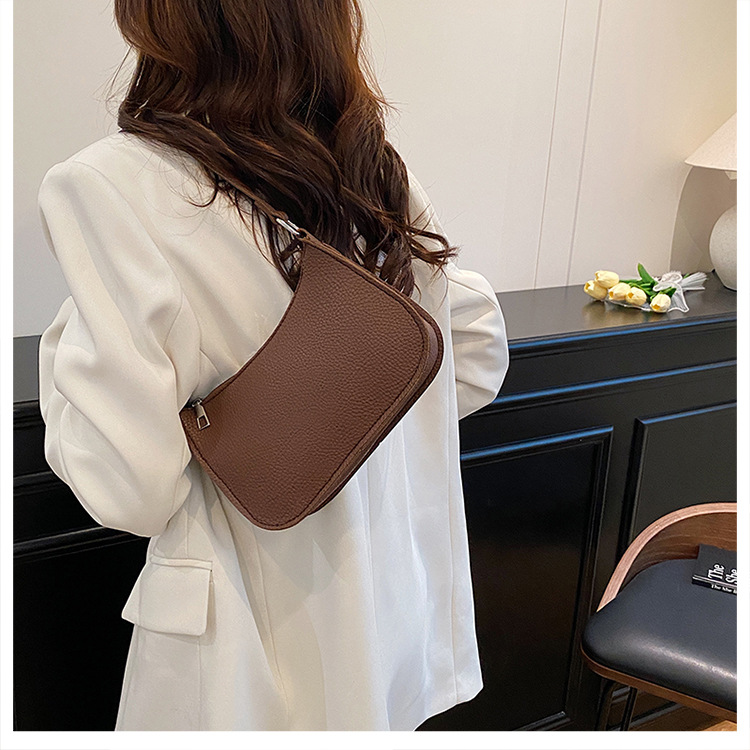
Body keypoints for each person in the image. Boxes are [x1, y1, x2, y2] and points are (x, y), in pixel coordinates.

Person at [37, 0, 509, 732]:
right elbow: (471, 360)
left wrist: (72, 334)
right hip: (384, 620)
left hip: (245, 655)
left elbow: (129, 490)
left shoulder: (112, 184)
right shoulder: (368, 164)